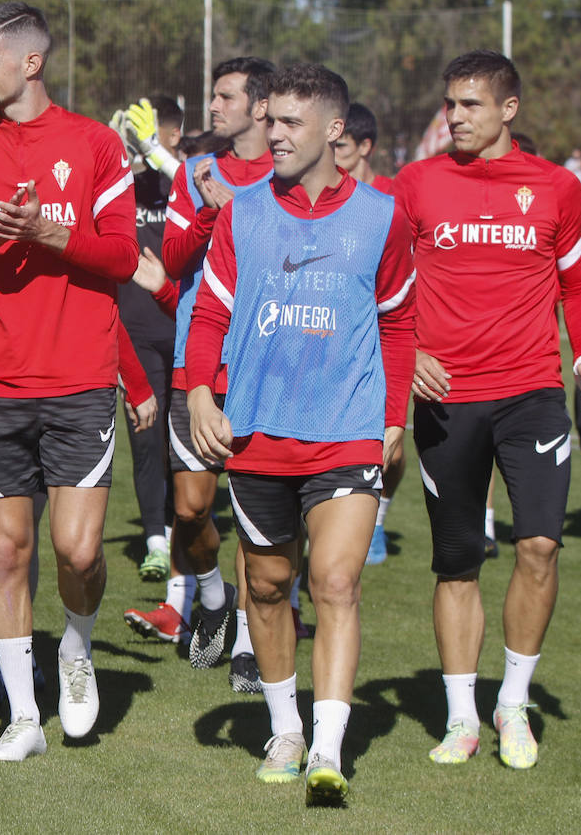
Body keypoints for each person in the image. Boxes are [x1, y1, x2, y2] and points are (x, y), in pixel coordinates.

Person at [187, 62, 415, 806]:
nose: (273, 133)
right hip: (257, 431)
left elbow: (399, 322)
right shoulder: (243, 213)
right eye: (271, 120)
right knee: (268, 582)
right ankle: (284, 728)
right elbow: (211, 313)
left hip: (347, 428)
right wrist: (198, 392)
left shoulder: (382, 216)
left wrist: (392, 421)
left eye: (289, 121)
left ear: (333, 129)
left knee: (337, 582)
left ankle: (326, 747)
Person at [0, 2, 138, 761]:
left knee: (78, 552)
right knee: (7, 551)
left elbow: (121, 258)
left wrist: (47, 230)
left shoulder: (94, 144)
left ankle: (75, 647)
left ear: (30, 63)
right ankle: (23, 717)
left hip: (80, 379)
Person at [399, 49, 581, 770]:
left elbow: (577, 286)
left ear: (508, 109)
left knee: (540, 547)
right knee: (458, 561)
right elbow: (385, 281)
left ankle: (513, 704)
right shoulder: (416, 185)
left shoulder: (556, 188)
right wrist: (408, 354)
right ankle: (462, 719)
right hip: (446, 398)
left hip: (532, 392)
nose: (454, 117)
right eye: (450, 104)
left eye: (470, 105)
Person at [160, 57, 275, 682]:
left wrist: (239, 214)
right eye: (213, 96)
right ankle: (212, 598)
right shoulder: (195, 171)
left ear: (260, 106)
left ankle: (250, 648)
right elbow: (174, 259)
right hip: (195, 360)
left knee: (257, 515)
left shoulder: (288, 177)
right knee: (191, 509)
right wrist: (208, 211)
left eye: (225, 96)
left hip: (261, 362)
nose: (213, 107)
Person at [115, 96, 182, 583]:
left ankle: (182, 533)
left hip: (185, 331)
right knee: (145, 441)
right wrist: (117, 153)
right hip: (135, 336)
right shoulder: (123, 190)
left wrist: (160, 156)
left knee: (183, 447)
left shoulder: (188, 189)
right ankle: (155, 541)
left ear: (173, 137)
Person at [333, 101, 399, 564]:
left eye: (342, 147)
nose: (332, 155)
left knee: (391, 444)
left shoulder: (395, 198)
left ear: (365, 147)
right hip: (340, 334)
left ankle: (378, 517)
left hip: (388, 330)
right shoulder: (329, 195)